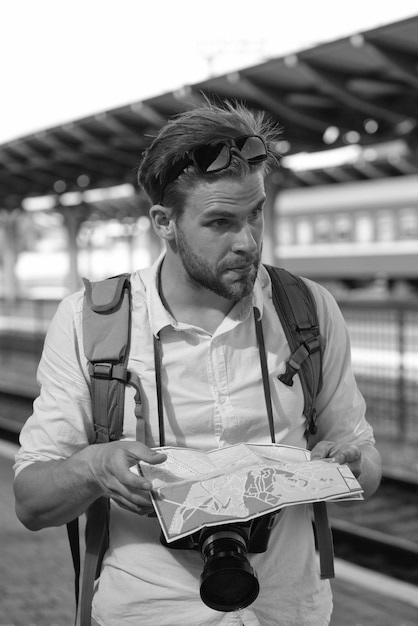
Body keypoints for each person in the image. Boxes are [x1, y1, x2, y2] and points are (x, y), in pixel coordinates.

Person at [13, 101, 382, 626]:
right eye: (220, 222)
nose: (248, 241)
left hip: (289, 612)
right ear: (164, 222)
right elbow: (30, 502)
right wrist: (95, 466)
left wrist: (351, 465)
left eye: (255, 213)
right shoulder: (89, 322)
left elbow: (367, 470)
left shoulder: (309, 309)